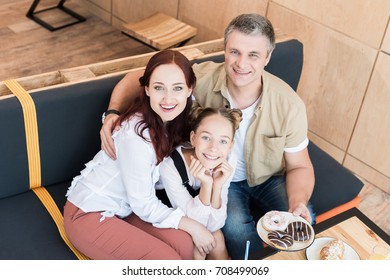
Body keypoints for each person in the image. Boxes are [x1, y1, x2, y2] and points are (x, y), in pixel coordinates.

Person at [100, 14, 315, 260]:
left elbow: (300, 165)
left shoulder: (289, 105)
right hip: (223, 178)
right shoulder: (199, 78)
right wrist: (112, 113)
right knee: (236, 232)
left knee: (302, 223)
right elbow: (137, 78)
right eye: (235, 51)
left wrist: (297, 202)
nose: (241, 63)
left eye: (253, 55)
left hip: (269, 178)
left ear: (267, 57)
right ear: (224, 50)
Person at [64, 50, 218, 260]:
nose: (168, 98)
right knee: (167, 261)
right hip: (89, 212)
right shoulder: (136, 137)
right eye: (158, 88)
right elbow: (143, 204)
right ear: (146, 89)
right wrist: (193, 226)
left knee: (184, 245)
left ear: (190, 90)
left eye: (178, 88)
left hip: (125, 209)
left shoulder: (176, 119)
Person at [159, 105, 242, 259]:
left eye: (223, 141)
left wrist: (216, 186)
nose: (213, 148)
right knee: (197, 250)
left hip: (198, 218)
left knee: (217, 238)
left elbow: (215, 225)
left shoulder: (229, 161)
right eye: (205, 137)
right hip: (172, 217)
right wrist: (206, 184)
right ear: (193, 138)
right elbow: (196, 223)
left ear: (231, 145)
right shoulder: (170, 167)